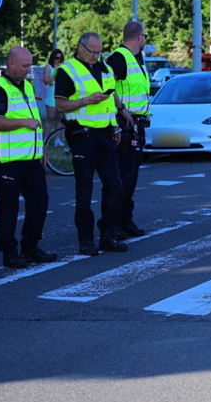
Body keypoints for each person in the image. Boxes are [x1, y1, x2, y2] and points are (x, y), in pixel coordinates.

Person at [55, 31, 134, 255]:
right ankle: (85, 239)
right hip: (83, 136)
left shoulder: (104, 67)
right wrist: (85, 101)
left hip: (106, 134)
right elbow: (60, 106)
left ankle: (107, 235)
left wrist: (119, 115)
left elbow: (111, 94)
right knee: (85, 189)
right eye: (93, 52)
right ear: (80, 47)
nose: (96, 56)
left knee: (114, 185)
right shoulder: (67, 71)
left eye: (100, 52)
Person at [0, 47, 57, 268]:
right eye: (25, 66)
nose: (29, 71)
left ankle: (31, 247)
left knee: (39, 203)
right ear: (12, 64)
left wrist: (41, 150)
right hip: (9, 162)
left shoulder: (26, 86)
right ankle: (9, 253)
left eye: (30, 66)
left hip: (32, 159)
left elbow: (35, 119)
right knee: (8, 207)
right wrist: (23, 123)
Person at [105, 20, 150, 239]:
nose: (145, 41)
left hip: (137, 124)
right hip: (125, 123)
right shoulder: (119, 58)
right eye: (145, 37)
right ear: (139, 37)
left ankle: (125, 220)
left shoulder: (137, 59)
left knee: (131, 176)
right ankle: (113, 224)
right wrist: (121, 110)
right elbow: (106, 86)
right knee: (122, 176)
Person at [42, 48, 64, 141]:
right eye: (56, 57)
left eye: (60, 58)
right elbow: (46, 81)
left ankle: (57, 139)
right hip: (52, 90)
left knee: (60, 117)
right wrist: (55, 75)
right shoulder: (48, 67)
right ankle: (46, 138)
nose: (58, 60)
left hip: (61, 91)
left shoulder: (63, 67)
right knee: (50, 117)